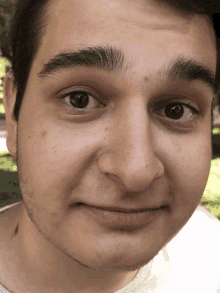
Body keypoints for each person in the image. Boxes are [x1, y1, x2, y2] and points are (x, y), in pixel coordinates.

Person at [0, 0, 220, 292]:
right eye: (80, 99)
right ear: (14, 109)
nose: (136, 172)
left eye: (176, 110)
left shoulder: (211, 253)